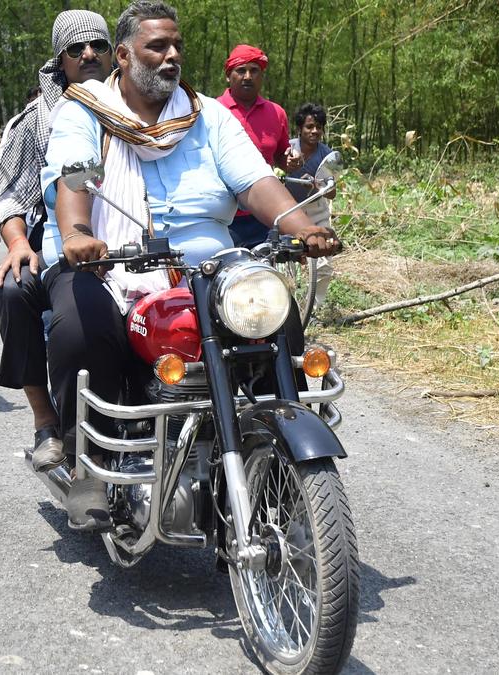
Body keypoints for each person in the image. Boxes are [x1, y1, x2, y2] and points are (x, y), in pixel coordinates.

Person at [39, 1, 340, 529]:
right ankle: (88, 456)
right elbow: (72, 179)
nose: (172, 56)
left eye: (177, 46)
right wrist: (78, 235)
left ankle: (282, 462)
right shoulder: (84, 110)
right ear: (126, 54)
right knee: (76, 325)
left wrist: (301, 226)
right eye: (158, 47)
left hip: (210, 263)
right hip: (112, 262)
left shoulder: (208, 115)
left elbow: (254, 182)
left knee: (277, 323)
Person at [0, 9, 114, 473]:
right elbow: (5, 198)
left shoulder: (138, 108)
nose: (88, 54)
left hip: (133, 235)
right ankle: (46, 419)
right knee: (14, 288)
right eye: (76, 48)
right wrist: (19, 242)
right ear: (59, 61)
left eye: (98, 46)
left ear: (115, 54)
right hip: (56, 238)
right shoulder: (33, 121)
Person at [216, 44, 303, 248]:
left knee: (264, 276)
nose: (248, 76)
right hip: (223, 216)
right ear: (229, 76)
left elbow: (281, 157)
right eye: (241, 70)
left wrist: (292, 159)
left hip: (264, 215)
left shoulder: (276, 113)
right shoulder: (213, 111)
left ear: (262, 76)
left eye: (254, 71)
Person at [286, 102, 336, 309]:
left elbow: (332, 192)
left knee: (323, 264)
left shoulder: (327, 155)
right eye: (309, 127)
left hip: (316, 210)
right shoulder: (288, 149)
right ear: (300, 129)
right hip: (289, 210)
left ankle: (314, 310)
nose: (314, 131)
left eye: (318, 127)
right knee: (287, 262)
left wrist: (318, 186)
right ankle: (287, 309)